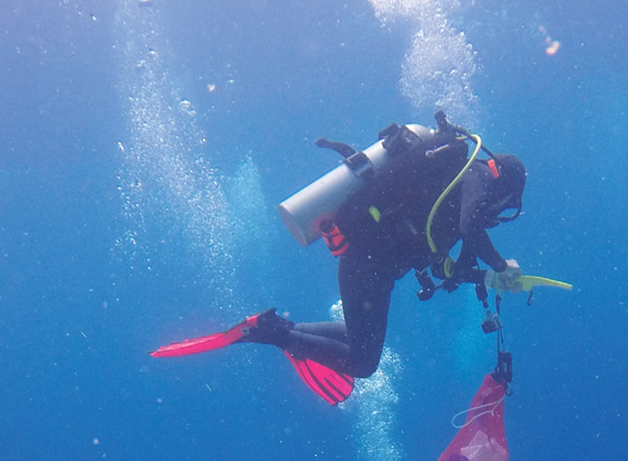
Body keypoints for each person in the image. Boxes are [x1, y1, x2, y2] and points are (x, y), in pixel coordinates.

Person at [152, 112, 528, 403]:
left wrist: (478, 275)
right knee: (363, 363)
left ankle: (276, 328)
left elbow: (449, 256)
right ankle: (272, 332)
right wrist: (499, 266)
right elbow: (471, 228)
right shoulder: (477, 176)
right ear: (503, 184)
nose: (498, 212)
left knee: (356, 340)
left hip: (370, 265)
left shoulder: (450, 189)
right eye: (506, 204)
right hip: (368, 267)